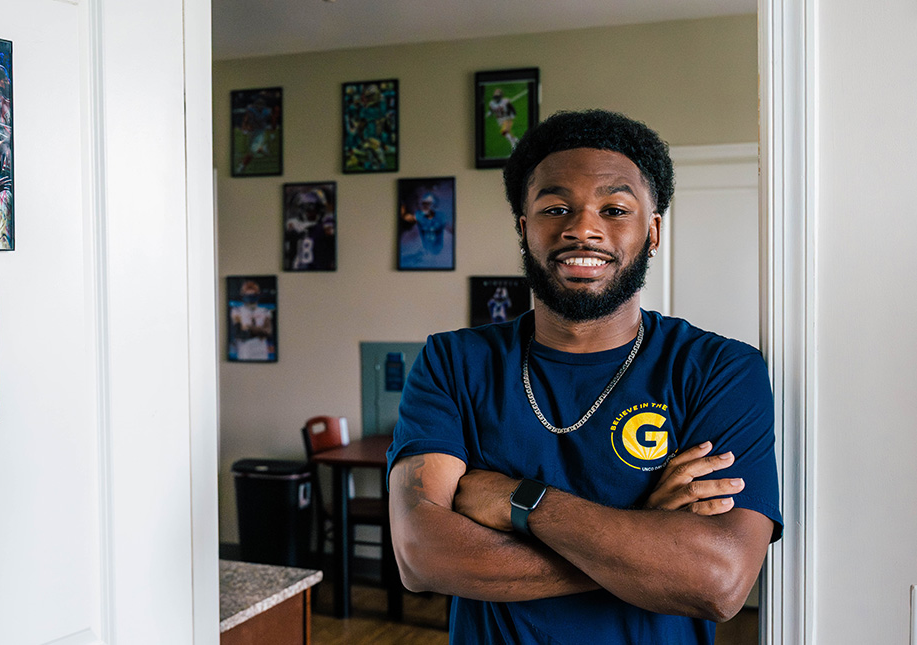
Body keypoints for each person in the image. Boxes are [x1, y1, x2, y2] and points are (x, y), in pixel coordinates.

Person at [387, 109, 782, 644]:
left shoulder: (720, 371)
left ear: (653, 231)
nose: (582, 228)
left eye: (615, 208)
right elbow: (422, 556)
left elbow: (717, 582)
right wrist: (644, 541)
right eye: (555, 208)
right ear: (525, 229)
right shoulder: (452, 362)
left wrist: (515, 501)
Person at [283, 187, 335, 270]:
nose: (311, 212)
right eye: (308, 209)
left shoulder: (325, 225)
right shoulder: (293, 225)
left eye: (314, 209)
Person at [399, 193, 453, 268]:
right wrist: (402, 205)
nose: (425, 206)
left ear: (433, 205)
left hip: (439, 251)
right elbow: (405, 216)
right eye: (423, 203)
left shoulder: (440, 217)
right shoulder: (420, 215)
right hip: (425, 250)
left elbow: (450, 228)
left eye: (427, 203)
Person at [229, 280, 274, 361]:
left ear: (258, 295)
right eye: (248, 294)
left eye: (253, 294)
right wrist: (259, 331)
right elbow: (239, 333)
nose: (250, 296)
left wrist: (248, 327)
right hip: (245, 350)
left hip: (261, 350)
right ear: (243, 295)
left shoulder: (265, 311)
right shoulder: (237, 311)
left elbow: (268, 331)